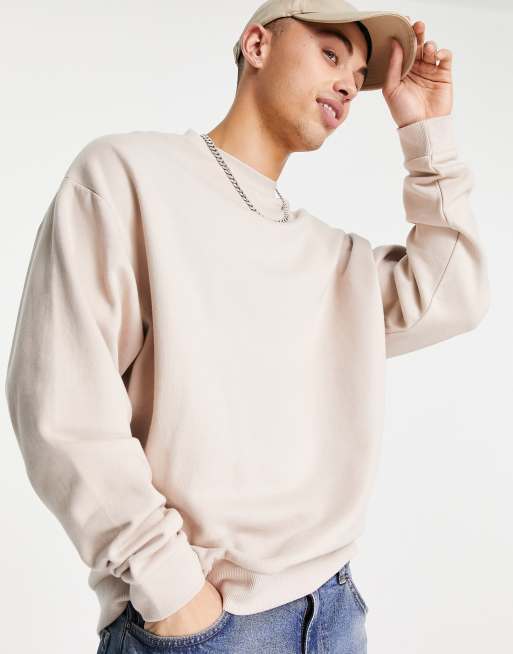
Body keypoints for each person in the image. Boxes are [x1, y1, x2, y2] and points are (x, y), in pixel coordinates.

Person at [5, 1, 490, 652]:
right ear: (257, 45)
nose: (349, 84)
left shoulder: (329, 257)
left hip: (334, 612)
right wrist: (174, 593)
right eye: (330, 53)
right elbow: (60, 403)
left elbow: (453, 293)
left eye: (358, 75)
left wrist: (427, 134)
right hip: (205, 625)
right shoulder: (127, 176)